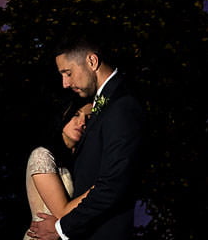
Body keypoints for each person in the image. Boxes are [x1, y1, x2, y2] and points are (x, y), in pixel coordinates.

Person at [28, 39, 144, 240]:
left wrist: (60, 228)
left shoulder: (121, 105)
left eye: (68, 73)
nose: (65, 84)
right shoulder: (105, 103)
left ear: (92, 61)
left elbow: (113, 185)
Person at [24, 104, 92, 238]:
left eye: (88, 118)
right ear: (63, 115)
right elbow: (62, 212)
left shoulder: (79, 162)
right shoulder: (42, 156)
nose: (82, 122)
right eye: (76, 114)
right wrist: (103, 186)